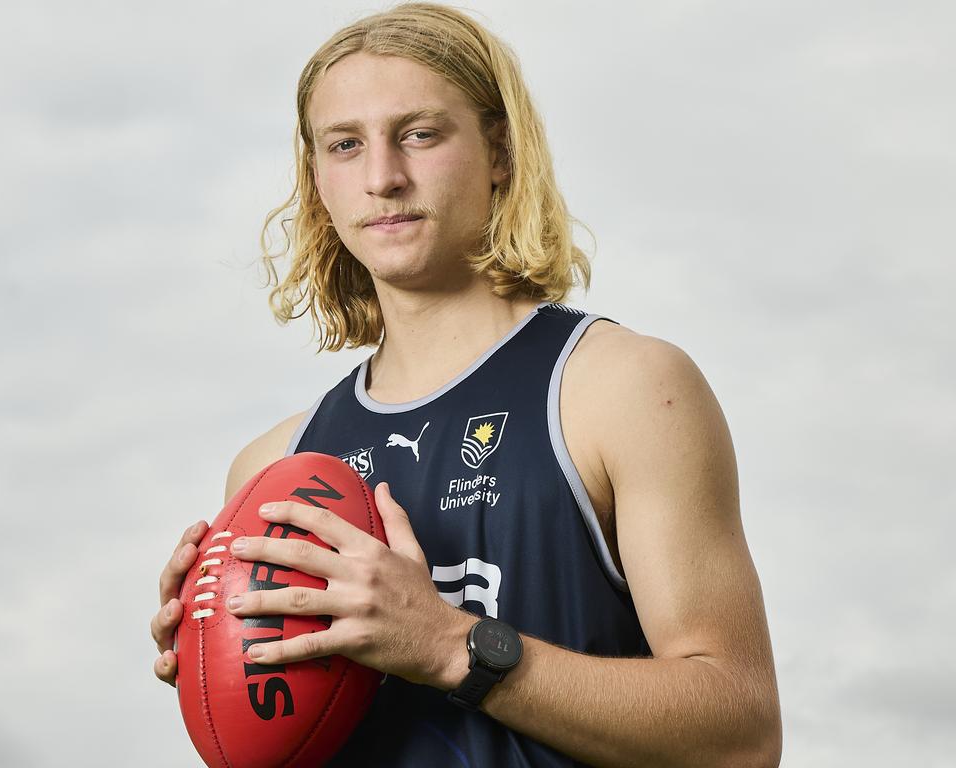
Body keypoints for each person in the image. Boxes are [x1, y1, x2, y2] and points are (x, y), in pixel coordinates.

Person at [149, 3, 782, 766]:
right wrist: (223, 673)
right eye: (345, 145)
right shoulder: (269, 467)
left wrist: (452, 646)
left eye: (420, 134)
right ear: (317, 180)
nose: (382, 178)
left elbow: (741, 736)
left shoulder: (624, 389)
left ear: (499, 152)